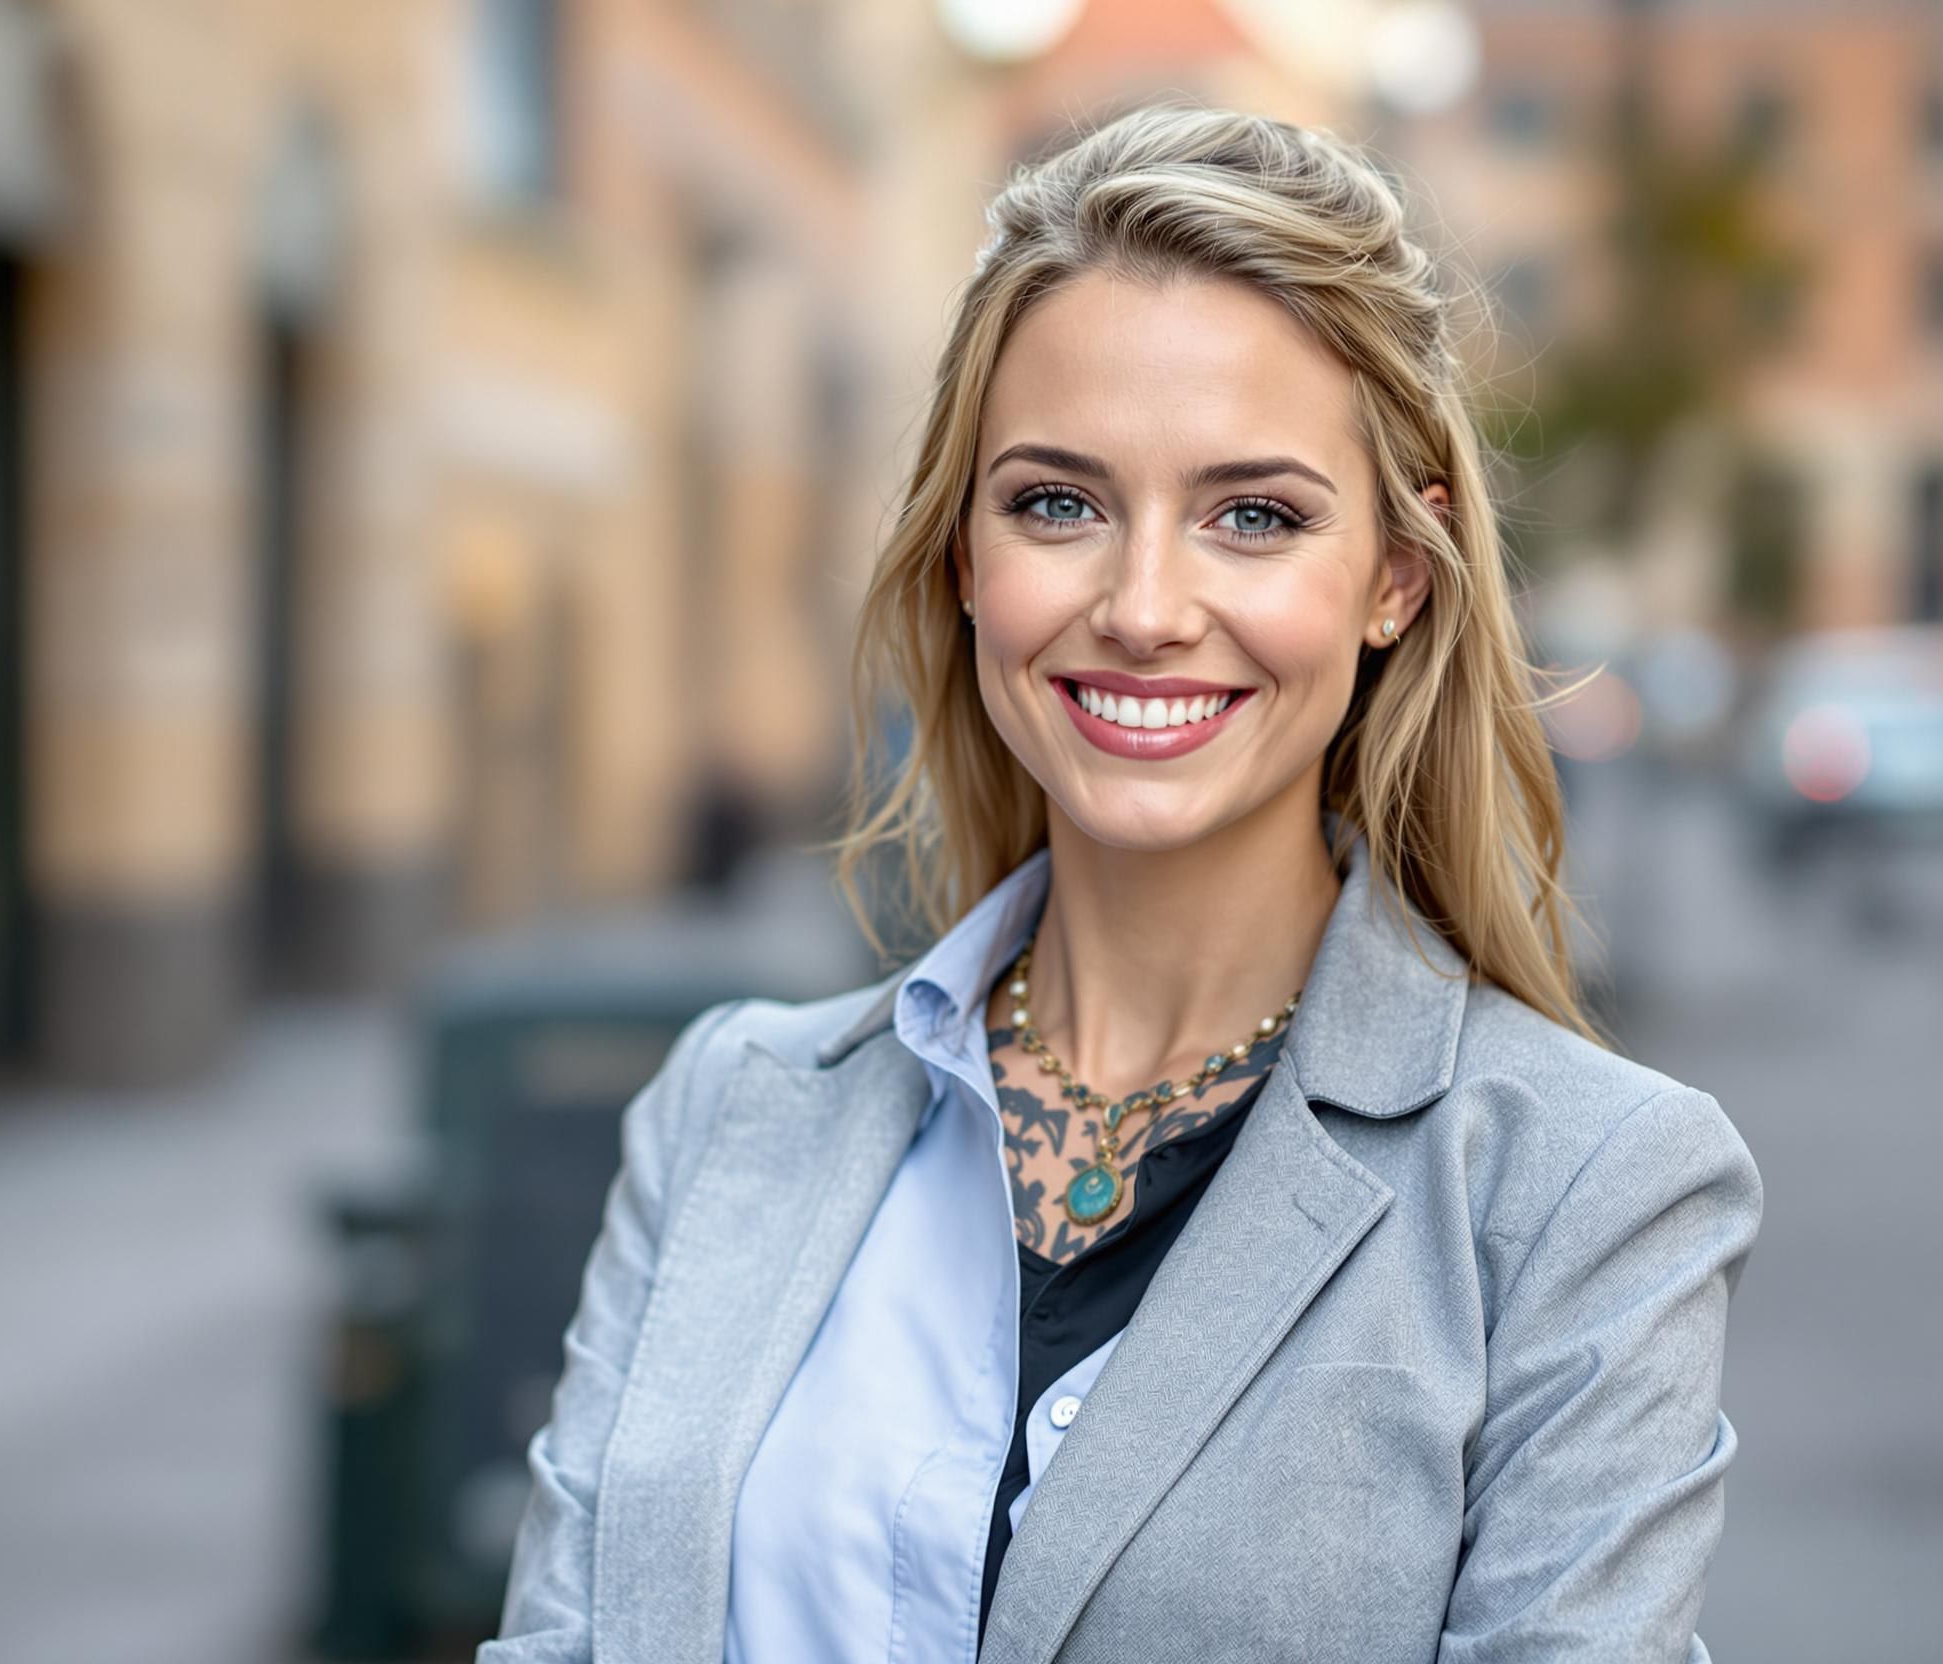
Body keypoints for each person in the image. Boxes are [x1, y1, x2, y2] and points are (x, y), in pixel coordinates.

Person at [481, 103, 1763, 1664]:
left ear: (1393, 582)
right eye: (1058, 503)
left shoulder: (1584, 1194)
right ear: (965, 558)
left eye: (1255, 517)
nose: (1145, 607)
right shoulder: (728, 1111)